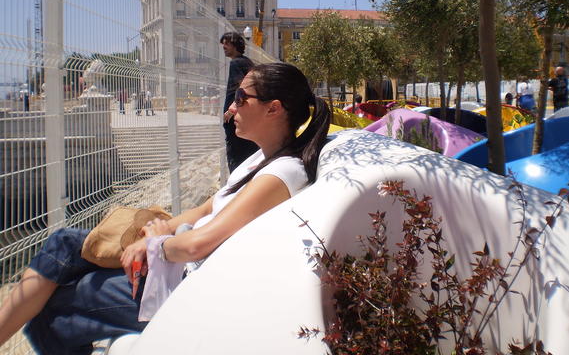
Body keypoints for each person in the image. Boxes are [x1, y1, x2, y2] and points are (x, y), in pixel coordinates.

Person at [0, 63, 330, 354]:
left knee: (51, 307)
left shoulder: (281, 173)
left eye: (241, 98)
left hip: (186, 287)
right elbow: (203, 211)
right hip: (178, 266)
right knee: (64, 245)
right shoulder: (261, 159)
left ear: (273, 109)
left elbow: (199, 244)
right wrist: (157, 234)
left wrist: (157, 243)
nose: (231, 107)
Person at [221, 32, 258, 172]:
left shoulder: (236, 63)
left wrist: (232, 110)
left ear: (236, 45)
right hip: (246, 118)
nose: (224, 46)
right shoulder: (247, 62)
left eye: (227, 43)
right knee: (248, 155)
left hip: (236, 119)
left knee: (236, 159)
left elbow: (243, 88)